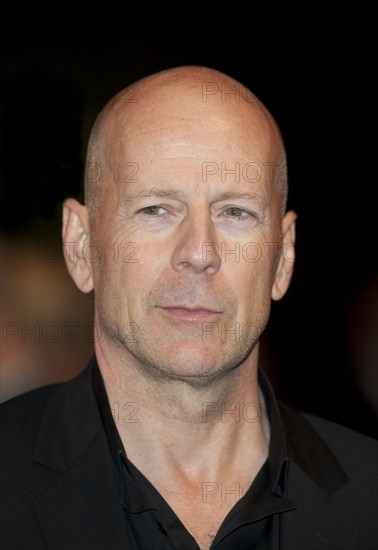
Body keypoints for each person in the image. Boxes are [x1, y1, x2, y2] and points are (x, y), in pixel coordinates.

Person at [0, 65, 377, 550]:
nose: (199, 253)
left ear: (283, 257)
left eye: (235, 212)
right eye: (156, 209)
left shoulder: (370, 500)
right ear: (80, 247)